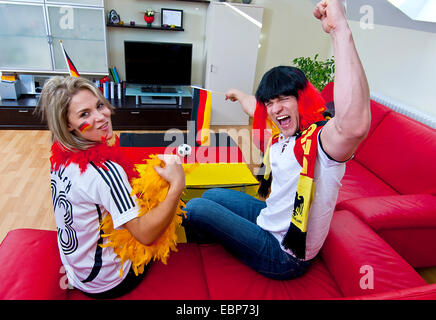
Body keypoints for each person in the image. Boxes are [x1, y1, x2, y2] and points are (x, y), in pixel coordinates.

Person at [182, 0, 370, 280]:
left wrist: (340, 31)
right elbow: (254, 107)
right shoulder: (284, 132)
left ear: (302, 99)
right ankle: (208, 248)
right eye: (270, 102)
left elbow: (353, 125)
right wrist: (237, 94)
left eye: (284, 99)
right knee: (210, 195)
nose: (276, 108)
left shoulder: (320, 142)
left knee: (195, 207)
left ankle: (197, 263)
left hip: (284, 254)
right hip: (269, 218)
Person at [36, 76, 185, 298]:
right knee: (175, 217)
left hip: (77, 272)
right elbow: (145, 236)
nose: (101, 117)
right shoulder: (105, 172)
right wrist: (176, 186)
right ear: (68, 124)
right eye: (84, 114)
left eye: (99, 105)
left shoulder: (59, 155)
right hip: (107, 281)